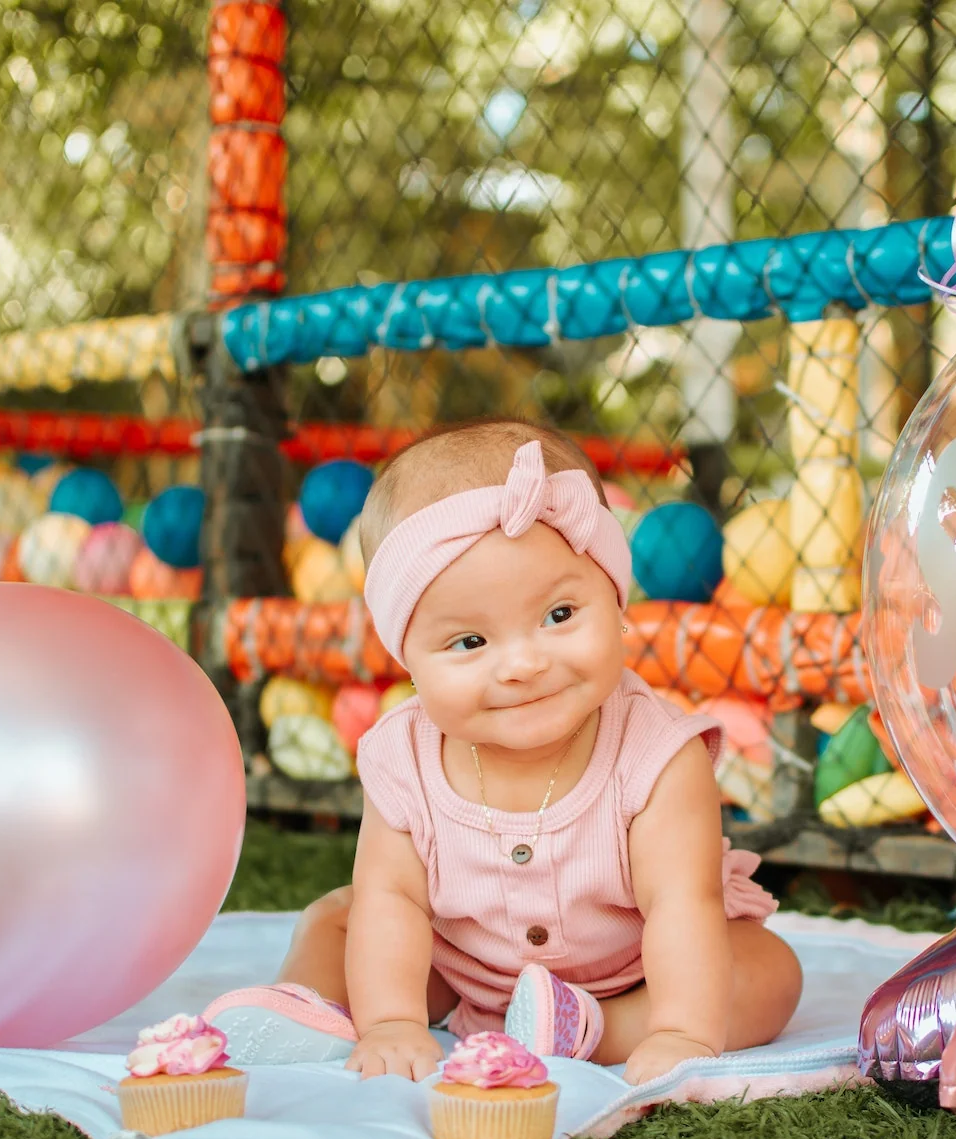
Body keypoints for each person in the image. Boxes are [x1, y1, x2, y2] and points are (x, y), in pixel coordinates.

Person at [204, 421, 802, 1084]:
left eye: (559, 615)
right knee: (340, 920)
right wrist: (394, 1022)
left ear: (617, 600)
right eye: (468, 643)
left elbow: (679, 906)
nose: (522, 664)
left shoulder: (658, 757)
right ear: (408, 661)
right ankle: (309, 1011)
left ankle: (595, 1032)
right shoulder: (403, 758)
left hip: (635, 969)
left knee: (766, 973)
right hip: (463, 965)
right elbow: (394, 898)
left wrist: (682, 1030)